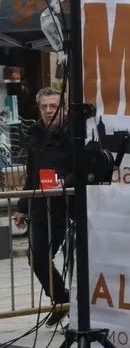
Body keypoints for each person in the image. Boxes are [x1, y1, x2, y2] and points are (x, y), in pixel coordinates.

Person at [13, 87, 74, 327]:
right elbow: (31, 175)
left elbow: (81, 168)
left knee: (73, 261)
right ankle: (62, 299)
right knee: (37, 258)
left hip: (67, 208)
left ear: (64, 109)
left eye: (54, 107)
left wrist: (65, 182)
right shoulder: (35, 136)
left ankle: (73, 307)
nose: (49, 111)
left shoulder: (74, 136)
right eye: (44, 107)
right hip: (40, 208)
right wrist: (22, 206)